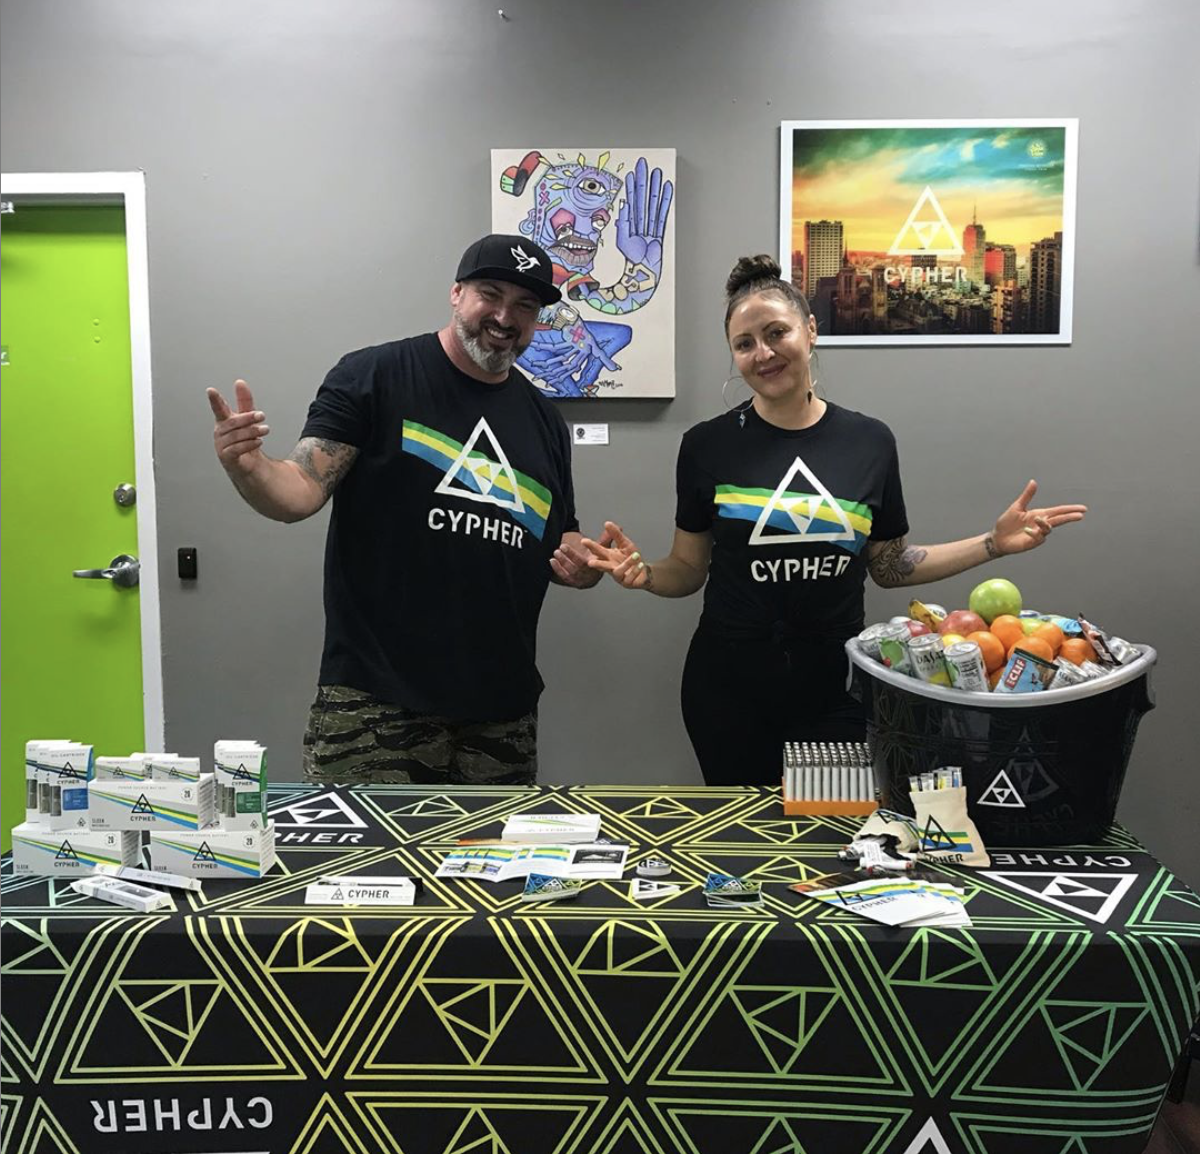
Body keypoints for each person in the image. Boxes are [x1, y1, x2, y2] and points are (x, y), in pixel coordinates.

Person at [582, 254, 1087, 786]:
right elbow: (688, 568)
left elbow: (889, 565)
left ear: (810, 330)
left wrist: (992, 544)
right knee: (745, 826)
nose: (763, 353)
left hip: (835, 684)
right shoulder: (706, 446)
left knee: (832, 823)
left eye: (776, 333)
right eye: (744, 343)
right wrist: (644, 574)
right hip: (728, 687)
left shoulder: (869, 441)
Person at [208, 234, 607, 787]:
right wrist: (249, 466)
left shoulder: (545, 422)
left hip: (502, 710)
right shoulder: (374, 376)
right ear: (456, 293)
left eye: (524, 306)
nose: (504, 317)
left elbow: (560, 539)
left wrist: (586, 566)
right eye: (490, 295)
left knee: (489, 848)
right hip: (376, 700)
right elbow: (299, 490)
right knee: (365, 847)